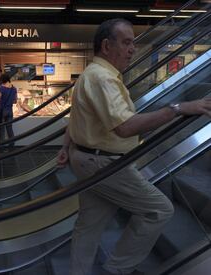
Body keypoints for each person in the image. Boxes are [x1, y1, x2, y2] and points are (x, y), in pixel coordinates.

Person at [57, 18, 211, 275]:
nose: (133, 49)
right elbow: (125, 127)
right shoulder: (103, 79)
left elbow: (77, 118)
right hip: (104, 164)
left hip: (86, 158)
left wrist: (65, 147)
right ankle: (117, 269)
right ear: (106, 45)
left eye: (134, 43)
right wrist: (177, 108)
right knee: (159, 210)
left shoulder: (92, 74)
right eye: (127, 42)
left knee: (89, 225)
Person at [0, 73, 17, 151]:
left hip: (2, 110)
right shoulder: (14, 88)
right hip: (10, 111)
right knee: (10, 129)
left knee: (2, 130)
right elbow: (15, 101)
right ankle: (12, 146)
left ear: (2, 80)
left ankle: (1, 148)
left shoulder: (1, 88)